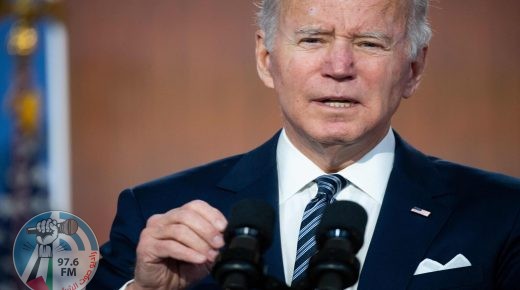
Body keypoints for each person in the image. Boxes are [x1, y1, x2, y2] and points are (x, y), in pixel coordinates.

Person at [89, 0, 520, 289]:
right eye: (313, 39)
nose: (339, 67)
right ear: (266, 59)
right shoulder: (159, 213)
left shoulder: (502, 213)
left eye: (370, 43)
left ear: (413, 68)